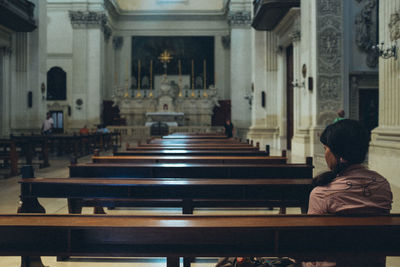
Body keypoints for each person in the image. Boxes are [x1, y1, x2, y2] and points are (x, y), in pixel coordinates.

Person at [303, 119, 392, 267]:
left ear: (337, 153)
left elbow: (312, 246)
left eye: (325, 148)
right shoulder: (383, 185)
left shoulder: (322, 194)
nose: (325, 154)